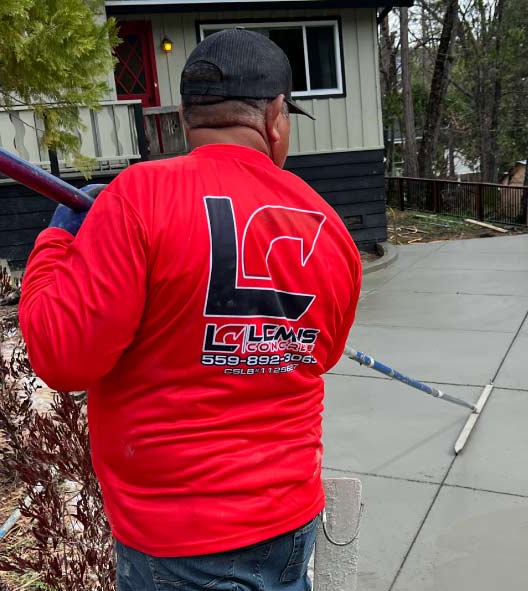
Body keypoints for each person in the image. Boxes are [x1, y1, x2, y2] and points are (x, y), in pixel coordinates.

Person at [19, 29, 362, 591]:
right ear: (276, 116)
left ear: (185, 116)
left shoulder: (136, 199)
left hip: (174, 539)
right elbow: (319, 355)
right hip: (286, 518)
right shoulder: (327, 224)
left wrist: (56, 241)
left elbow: (62, 356)